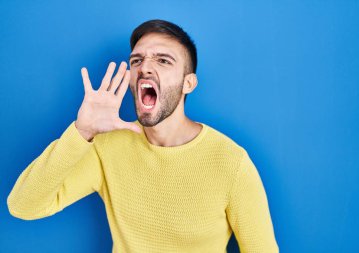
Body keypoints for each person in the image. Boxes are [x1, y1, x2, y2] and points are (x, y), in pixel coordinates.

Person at [7, 19, 279, 253]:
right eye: (137, 60)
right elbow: (23, 205)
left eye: (163, 60)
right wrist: (82, 131)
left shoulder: (231, 163)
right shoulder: (107, 147)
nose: (145, 68)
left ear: (189, 83)